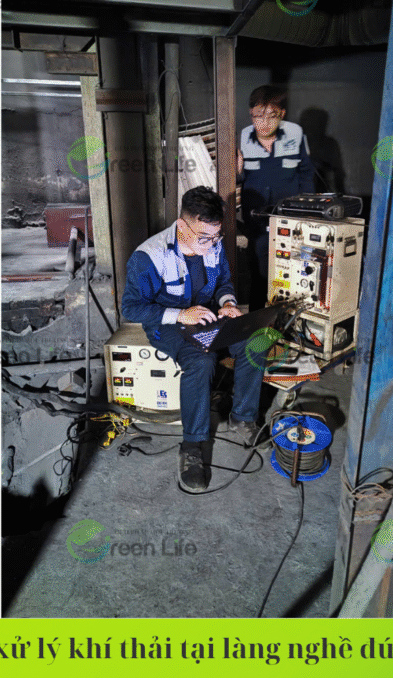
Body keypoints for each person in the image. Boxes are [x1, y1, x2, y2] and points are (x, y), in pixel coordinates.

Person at [121, 186, 264, 492]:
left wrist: (227, 303)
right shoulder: (149, 256)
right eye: (204, 238)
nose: (212, 244)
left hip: (207, 316)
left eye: (216, 236)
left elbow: (224, 282)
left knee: (257, 341)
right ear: (182, 226)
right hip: (167, 324)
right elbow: (131, 308)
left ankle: (243, 417)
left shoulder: (213, 244)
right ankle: (192, 446)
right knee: (201, 361)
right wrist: (181, 315)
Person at [237, 85, 315, 309]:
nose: (264, 123)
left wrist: (308, 215)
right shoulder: (242, 139)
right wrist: (238, 171)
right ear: (251, 114)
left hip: (292, 219)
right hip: (257, 221)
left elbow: (306, 175)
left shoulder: (295, 135)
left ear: (282, 114)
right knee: (259, 274)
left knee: (294, 272)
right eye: (258, 116)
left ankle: (287, 320)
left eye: (272, 116)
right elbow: (235, 180)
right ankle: (257, 321)